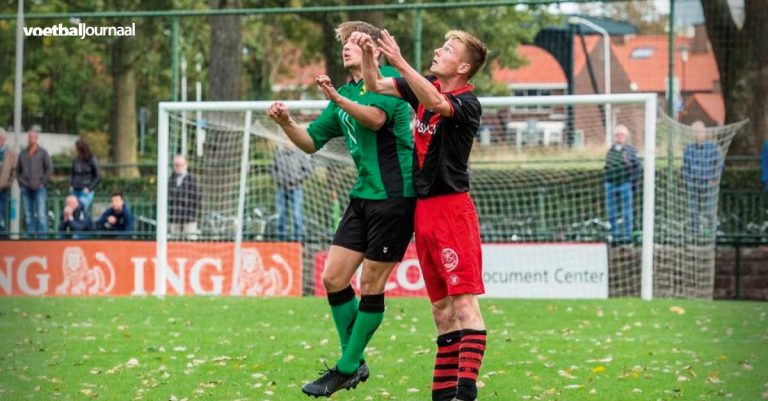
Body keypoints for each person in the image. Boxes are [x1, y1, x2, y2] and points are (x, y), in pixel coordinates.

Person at [267, 21, 415, 398]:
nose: (347, 47)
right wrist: (287, 123)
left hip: (395, 198)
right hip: (363, 197)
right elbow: (311, 142)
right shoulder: (346, 93)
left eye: (355, 42)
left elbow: (375, 119)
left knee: (370, 285)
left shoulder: (390, 85)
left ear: (375, 50)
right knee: (333, 278)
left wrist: (336, 100)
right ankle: (355, 358)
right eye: (345, 43)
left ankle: (346, 366)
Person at [354, 28, 488, 401]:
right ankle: (443, 395)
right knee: (442, 311)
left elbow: (439, 103)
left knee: (463, 303)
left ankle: (465, 391)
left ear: (463, 67)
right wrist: (370, 55)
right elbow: (374, 84)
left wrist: (399, 60)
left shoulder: (466, 102)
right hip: (424, 213)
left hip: (452, 211)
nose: (437, 50)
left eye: (447, 49)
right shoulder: (424, 87)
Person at [682, 121, 723, 235]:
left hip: (708, 183)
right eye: (696, 132)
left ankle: (712, 231)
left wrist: (714, 178)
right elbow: (685, 167)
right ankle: (695, 232)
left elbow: (719, 164)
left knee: (709, 209)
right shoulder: (689, 149)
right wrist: (688, 180)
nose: (698, 134)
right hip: (693, 183)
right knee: (693, 210)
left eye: (700, 132)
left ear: (704, 132)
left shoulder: (712, 147)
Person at [603, 125, 640, 243]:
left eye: (621, 135)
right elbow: (607, 166)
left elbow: (637, 168)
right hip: (610, 184)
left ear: (626, 136)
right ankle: (614, 235)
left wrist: (632, 182)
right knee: (611, 212)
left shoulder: (631, 150)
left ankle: (627, 236)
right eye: (617, 135)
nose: (619, 137)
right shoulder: (611, 150)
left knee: (627, 212)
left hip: (625, 184)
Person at [16, 125, 53, 236]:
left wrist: (42, 181)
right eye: (29, 137)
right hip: (26, 186)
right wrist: (21, 182)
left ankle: (43, 238)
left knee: (41, 213)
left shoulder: (42, 152)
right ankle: (30, 237)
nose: (30, 139)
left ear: (36, 138)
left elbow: (49, 168)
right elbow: (18, 170)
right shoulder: (23, 153)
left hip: (39, 187)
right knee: (28, 214)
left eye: (33, 137)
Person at [272, 141, 313, 241]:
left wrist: (297, 179)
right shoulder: (279, 155)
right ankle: (281, 238)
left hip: (296, 188)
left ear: (293, 143)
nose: (288, 143)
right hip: (282, 188)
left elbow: (308, 171)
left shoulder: (300, 154)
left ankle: (298, 238)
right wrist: (279, 179)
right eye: (285, 141)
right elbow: (273, 170)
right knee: (281, 213)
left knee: (296, 213)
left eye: (289, 141)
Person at [168, 155, 200, 240]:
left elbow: (197, 197)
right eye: (176, 165)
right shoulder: (170, 179)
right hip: (175, 218)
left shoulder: (192, 179)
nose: (178, 167)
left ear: (186, 165)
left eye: (180, 165)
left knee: (190, 242)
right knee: (174, 243)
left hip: (189, 218)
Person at [69, 139, 100, 211]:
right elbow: (72, 173)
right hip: (75, 189)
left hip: (85, 190)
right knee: (74, 210)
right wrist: (71, 184)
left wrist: (89, 188)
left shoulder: (92, 159)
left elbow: (98, 176)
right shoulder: (76, 160)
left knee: (81, 209)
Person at [0, 128, 17, 233]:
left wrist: (8, 183)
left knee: (2, 212)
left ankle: (2, 234)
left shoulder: (10, 153)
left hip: (3, 188)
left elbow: (14, 171)